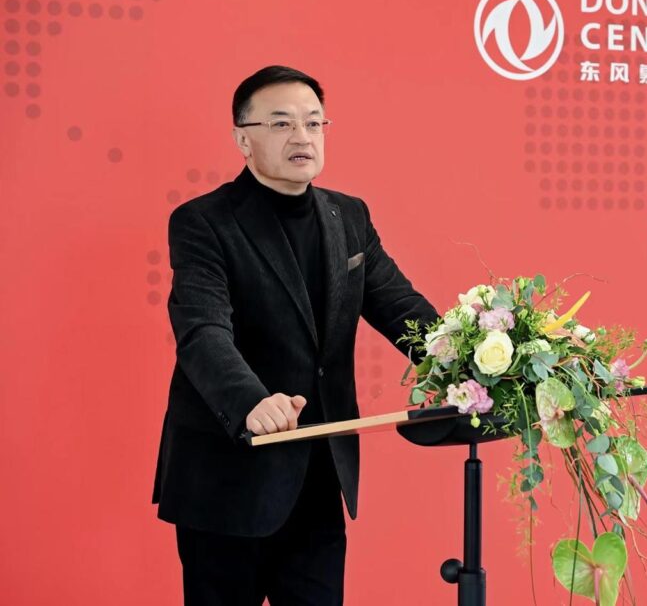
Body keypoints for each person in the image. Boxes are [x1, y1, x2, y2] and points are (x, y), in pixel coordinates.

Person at [152, 65, 439, 605]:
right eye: (281, 123)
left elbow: (400, 307)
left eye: (313, 122)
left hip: (319, 476)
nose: (302, 136)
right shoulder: (203, 221)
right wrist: (251, 401)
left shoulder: (349, 216)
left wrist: (475, 362)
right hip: (227, 478)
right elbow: (203, 331)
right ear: (243, 139)